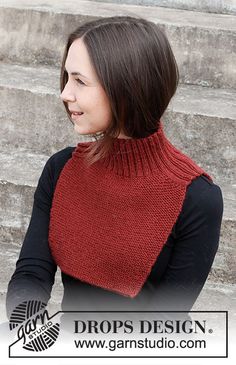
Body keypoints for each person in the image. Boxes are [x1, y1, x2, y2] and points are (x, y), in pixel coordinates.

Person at [6, 16, 223, 323]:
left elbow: (166, 320)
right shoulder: (61, 169)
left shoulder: (196, 198)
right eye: (67, 77)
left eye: (80, 81)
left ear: (128, 87)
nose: (65, 94)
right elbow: (31, 274)